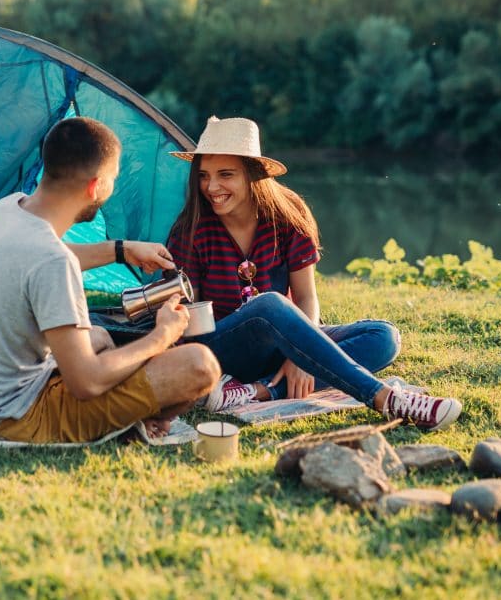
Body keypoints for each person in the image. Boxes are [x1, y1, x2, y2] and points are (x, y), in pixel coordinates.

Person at [166, 116, 461, 430]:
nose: (212, 187)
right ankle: (385, 398)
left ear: (253, 174)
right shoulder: (192, 229)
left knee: (384, 338)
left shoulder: (288, 215)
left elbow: (306, 297)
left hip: (279, 347)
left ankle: (258, 391)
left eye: (226, 175)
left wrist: (300, 358)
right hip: (221, 351)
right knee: (269, 306)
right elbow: (190, 327)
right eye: (204, 176)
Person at [0, 116, 221, 443]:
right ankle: (135, 422)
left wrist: (122, 250)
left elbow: (45, 258)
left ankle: (128, 412)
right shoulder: (51, 261)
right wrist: (162, 335)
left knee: (101, 336)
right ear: (95, 186)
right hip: (14, 417)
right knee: (200, 365)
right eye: (113, 178)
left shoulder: (7, 210)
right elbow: (85, 383)